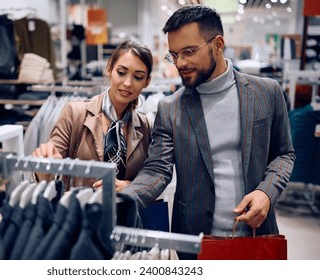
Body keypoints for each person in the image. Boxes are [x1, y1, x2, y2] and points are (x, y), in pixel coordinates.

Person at [122, 4, 296, 257]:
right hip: (194, 240)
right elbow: (158, 169)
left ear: (217, 44)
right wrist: (125, 198)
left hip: (257, 234)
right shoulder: (170, 108)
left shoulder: (266, 92)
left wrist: (265, 193)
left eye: (189, 52)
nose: (180, 63)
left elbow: (283, 154)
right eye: (174, 55)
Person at [32, 40, 153, 192]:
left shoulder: (145, 126)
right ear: (109, 69)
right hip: (80, 211)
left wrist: (129, 186)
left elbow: (149, 176)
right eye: (121, 73)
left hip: (124, 213)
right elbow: (48, 171)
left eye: (138, 77)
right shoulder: (75, 113)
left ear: (147, 82)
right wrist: (43, 166)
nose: (128, 83)